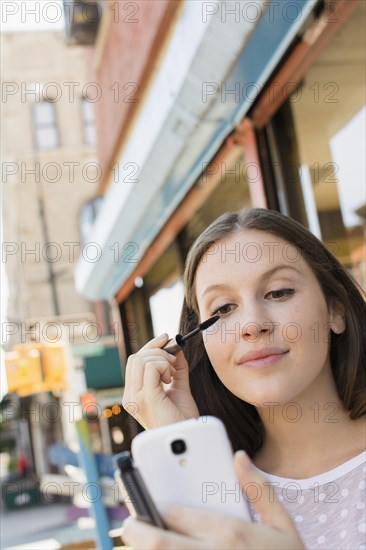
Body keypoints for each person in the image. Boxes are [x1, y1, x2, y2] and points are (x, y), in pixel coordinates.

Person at [121, 208, 366, 549]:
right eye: (222, 309)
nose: (252, 325)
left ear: (335, 310)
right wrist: (182, 447)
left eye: (278, 292)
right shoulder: (206, 495)